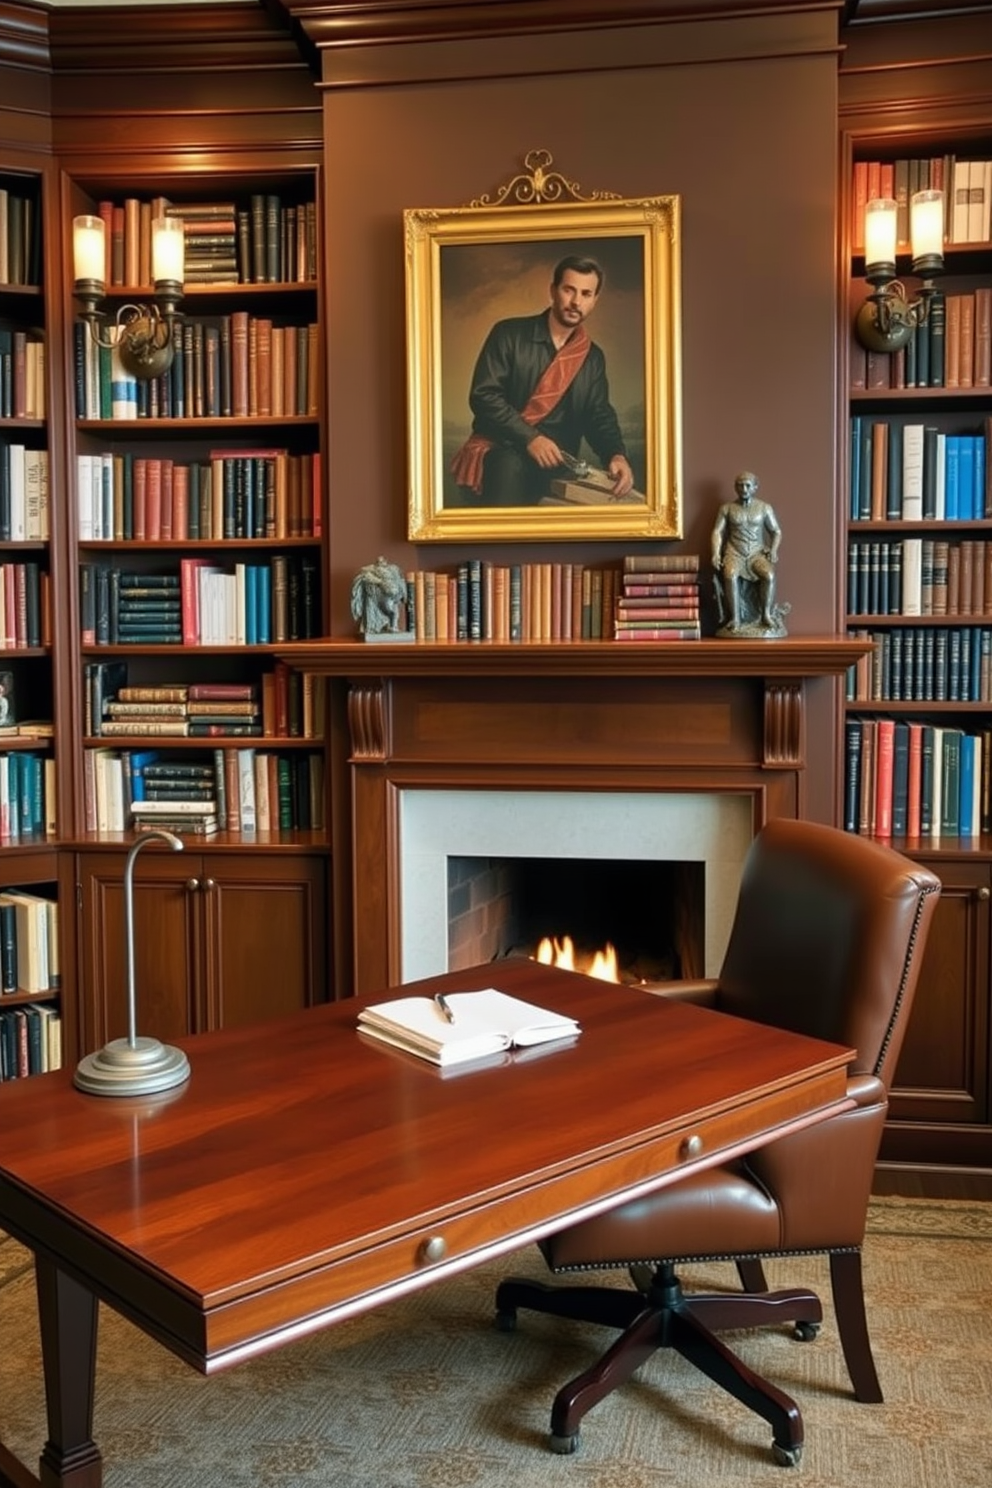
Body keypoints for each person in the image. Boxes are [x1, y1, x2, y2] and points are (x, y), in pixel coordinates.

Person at [449, 255, 635, 507]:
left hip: (558, 467)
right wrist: (530, 438)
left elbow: (598, 414)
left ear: (594, 300)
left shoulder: (593, 357)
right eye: (569, 290)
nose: (576, 301)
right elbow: (484, 397)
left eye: (586, 294)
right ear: (553, 290)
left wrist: (616, 454)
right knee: (508, 474)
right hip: (504, 455)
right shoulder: (508, 334)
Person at [711, 470, 786, 635]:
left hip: (756, 553)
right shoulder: (727, 508)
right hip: (734, 552)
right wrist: (715, 553)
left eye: (747, 485)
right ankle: (735, 618)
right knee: (730, 575)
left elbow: (776, 532)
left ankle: (766, 615)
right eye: (740, 485)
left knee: (769, 575)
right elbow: (717, 531)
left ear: (755, 487)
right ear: (735, 487)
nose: (743, 489)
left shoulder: (764, 508)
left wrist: (773, 550)